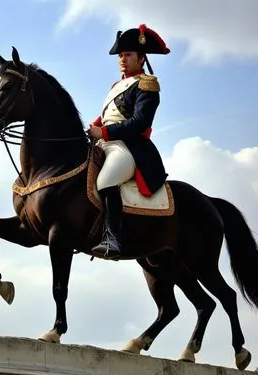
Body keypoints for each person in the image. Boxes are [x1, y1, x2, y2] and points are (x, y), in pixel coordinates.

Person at [87, 24, 171, 260]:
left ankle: (113, 239)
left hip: (128, 148)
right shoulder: (116, 86)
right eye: (121, 56)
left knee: (105, 181)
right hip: (105, 142)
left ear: (141, 58)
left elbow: (139, 122)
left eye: (128, 55)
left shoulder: (147, 84)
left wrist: (102, 133)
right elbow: (105, 117)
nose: (123, 59)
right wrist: (90, 128)